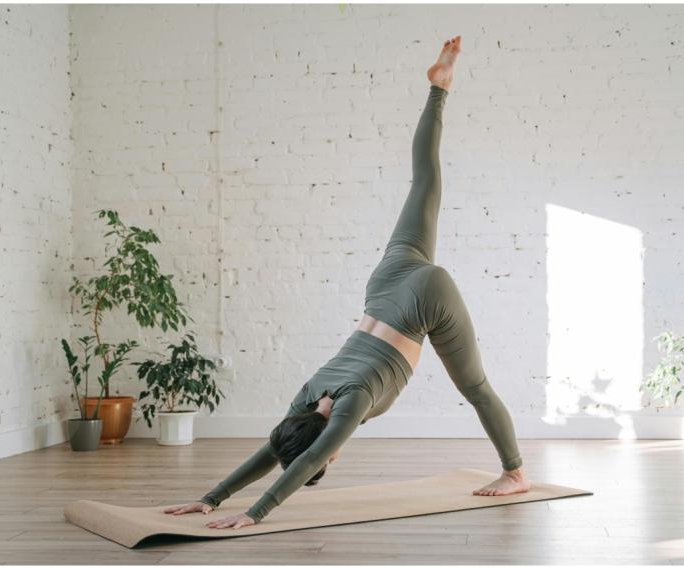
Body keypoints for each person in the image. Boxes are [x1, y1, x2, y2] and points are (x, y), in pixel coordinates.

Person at [163, 35, 531, 530]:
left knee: (476, 386)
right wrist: (211, 497)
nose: (329, 461)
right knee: (425, 180)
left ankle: (515, 473)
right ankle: (439, 89)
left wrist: (255, 513)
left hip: (426, 301)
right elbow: (275, 449)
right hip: (388, 283)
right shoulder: (307, 395)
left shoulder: (349, 408)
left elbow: (303, 460)